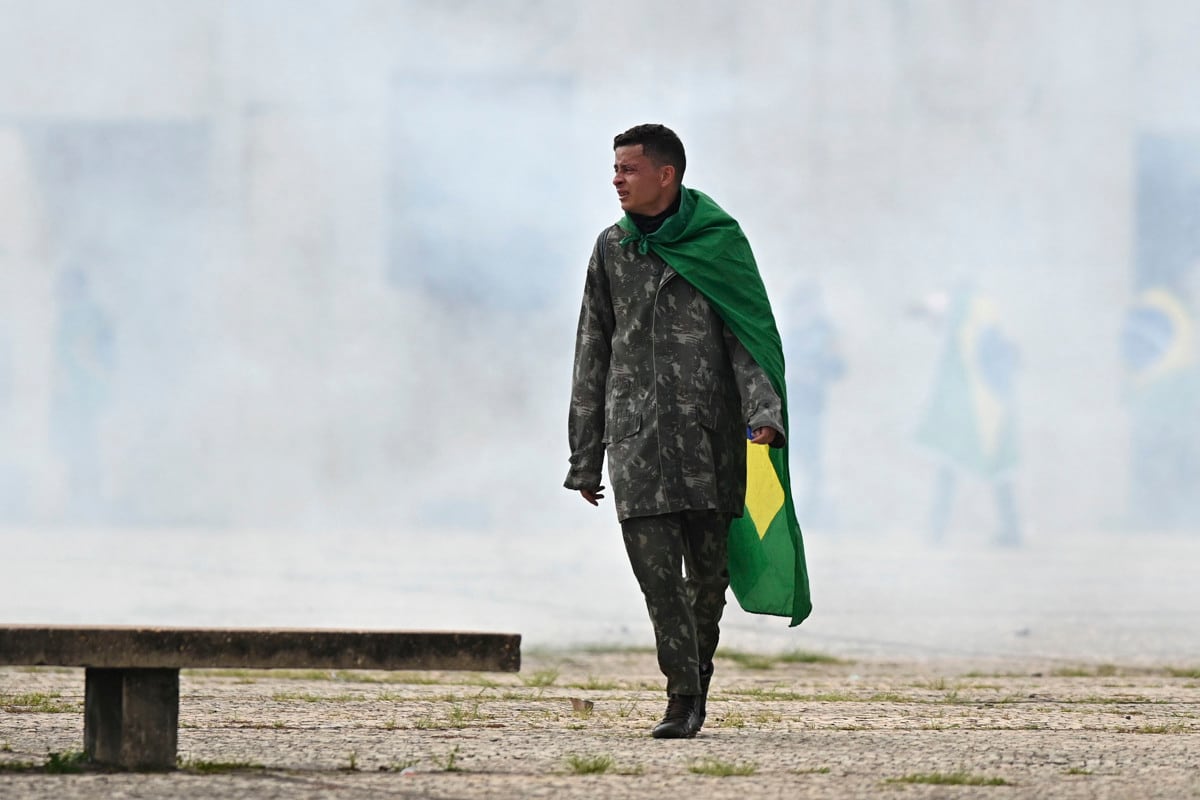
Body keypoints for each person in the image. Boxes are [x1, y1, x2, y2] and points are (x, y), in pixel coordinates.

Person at [565, 124, 787, 739]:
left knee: (707, 582)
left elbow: (749, 336)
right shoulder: (612, 248)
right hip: (635, 442)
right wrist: (584, 455)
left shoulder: (719, 243)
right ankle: (682, 698)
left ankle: (696, 683)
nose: (616, 179)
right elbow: (592, 349)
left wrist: (763, 414)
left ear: (666, 174)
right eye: (615, 169)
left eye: (628, 170)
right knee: (659, 581)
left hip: (708, 442)